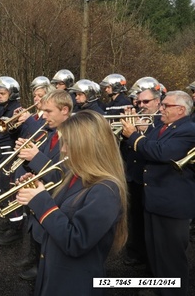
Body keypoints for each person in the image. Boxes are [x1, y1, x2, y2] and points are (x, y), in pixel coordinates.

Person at [16, 110, 128, 295]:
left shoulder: (106, 191)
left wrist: (40, 201)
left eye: (68, 142)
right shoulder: (76, 176)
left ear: (88, 145)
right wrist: (35, 191)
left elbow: (76, 241)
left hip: (75, 283)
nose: (63, 149)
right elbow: (59, 212)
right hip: (54, 272)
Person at [122, 91, 195, 296]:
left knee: (171, 257)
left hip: (172, 204)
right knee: (155, 251)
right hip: (154, 201)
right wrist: (132, 131)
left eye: (166, 106)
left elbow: (161, 152)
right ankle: (159, 287)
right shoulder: (163, 127)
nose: (161, 109)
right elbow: (143, 150)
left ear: (181, 110)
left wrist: (134, 136)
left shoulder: (189, 129)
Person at [14, 89, 73, 279]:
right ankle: (38, 262)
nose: (43, 115)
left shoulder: (74, 136)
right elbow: (43, 164)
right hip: (44, 193)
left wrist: (36, 157)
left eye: (48, 111)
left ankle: (44, 269)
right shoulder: (52, 132)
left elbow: (65, 176)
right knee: (37, 230)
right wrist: (26, 161)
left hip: (59, 200)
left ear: (65, 110)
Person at [119, 77, 162, 269]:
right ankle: (136, 252)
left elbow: (159, 148)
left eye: (146, 102)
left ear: (158, 102)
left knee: (151, 223)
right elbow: (125, 148)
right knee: (134, 217)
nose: (141, 105)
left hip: (152, 179)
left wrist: (142, 131)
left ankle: (150, 260)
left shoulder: (162, 120)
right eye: (139, 102)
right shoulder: (136, 117)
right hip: (134, 175)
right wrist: (124, 133)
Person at [0, 76, 22, 245]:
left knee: (11, 191)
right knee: (3, 190)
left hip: (9, 154)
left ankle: (16, 230)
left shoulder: (16, 109)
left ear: (12, 93)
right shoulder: (1, 108)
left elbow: (15, 133)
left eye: (2, 93)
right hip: (0, 154)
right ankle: (10, 220)